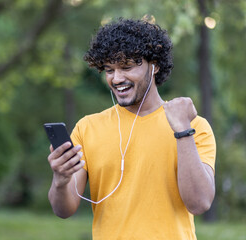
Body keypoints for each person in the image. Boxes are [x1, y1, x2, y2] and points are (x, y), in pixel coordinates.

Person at [47, 18, 216, 240]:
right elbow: (64, 210)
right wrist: (61, 179)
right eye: (109, 69)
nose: (117, 78)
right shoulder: (87, 128)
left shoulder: (194, 125)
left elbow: (200, 203)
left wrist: (182, 130)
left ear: (154, 66)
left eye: (126, 67)